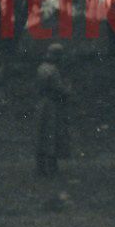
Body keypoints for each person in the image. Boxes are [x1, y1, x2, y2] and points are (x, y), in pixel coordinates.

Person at [35, 43, 73, 176]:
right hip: (52, 105)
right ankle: (50, 167)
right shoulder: (52, 70)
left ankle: (41, 166)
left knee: (43, 134)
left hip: (43, 103)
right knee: (52, 134)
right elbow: (59, 89)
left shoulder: (42, 68)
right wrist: (68, 88)